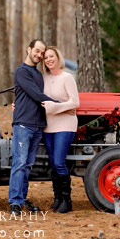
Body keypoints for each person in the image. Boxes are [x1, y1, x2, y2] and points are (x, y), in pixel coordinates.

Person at [9, 39, 57, 215]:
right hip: (24, 124)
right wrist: (60, 105)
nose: (39, 55)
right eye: (36, 51)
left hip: (38, 125)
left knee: (28, 164)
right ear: (28, 49)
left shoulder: (38, 74)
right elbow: (37, 95)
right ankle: (14, 203)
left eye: (41, 53)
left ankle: (21, 200)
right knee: (19, 163)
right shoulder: (21, 71)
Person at [40, 46, 80, 213]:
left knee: (59, 162)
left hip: (65, 124)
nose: (49, 59)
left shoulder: (67, 77)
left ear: (58, 58)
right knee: (52, 163)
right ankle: (57, 199)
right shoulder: (43, 78)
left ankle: (66, 200)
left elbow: (75, 102)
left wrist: (55, 107)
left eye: (52, 56)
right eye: (46, 58)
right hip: (48, 126)